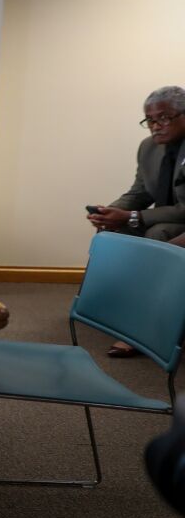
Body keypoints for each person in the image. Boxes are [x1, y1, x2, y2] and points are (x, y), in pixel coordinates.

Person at [87, 85, 185, 358]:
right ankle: (114, 313)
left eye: (163, 118)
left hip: (177, 222)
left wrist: (134, 217)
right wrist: (110, 212)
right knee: (113, 231)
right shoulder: (148, 148)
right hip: (164, 215)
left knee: (158, 234)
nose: (155, 126)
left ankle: (147, 328)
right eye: (150, 120)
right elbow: (140, 193)